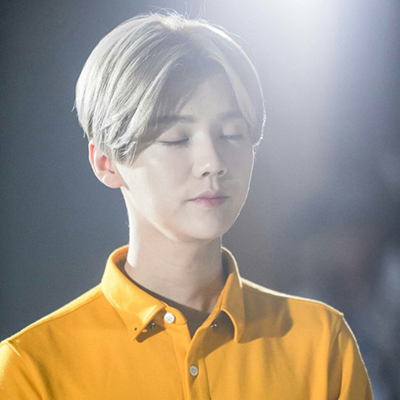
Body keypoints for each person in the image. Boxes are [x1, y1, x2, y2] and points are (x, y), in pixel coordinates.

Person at [0, 12, 373, 399]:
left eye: (232, 133)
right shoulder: (33, 368)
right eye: (177, 138)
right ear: (106, 162)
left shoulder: (320, 343)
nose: (213, 162)